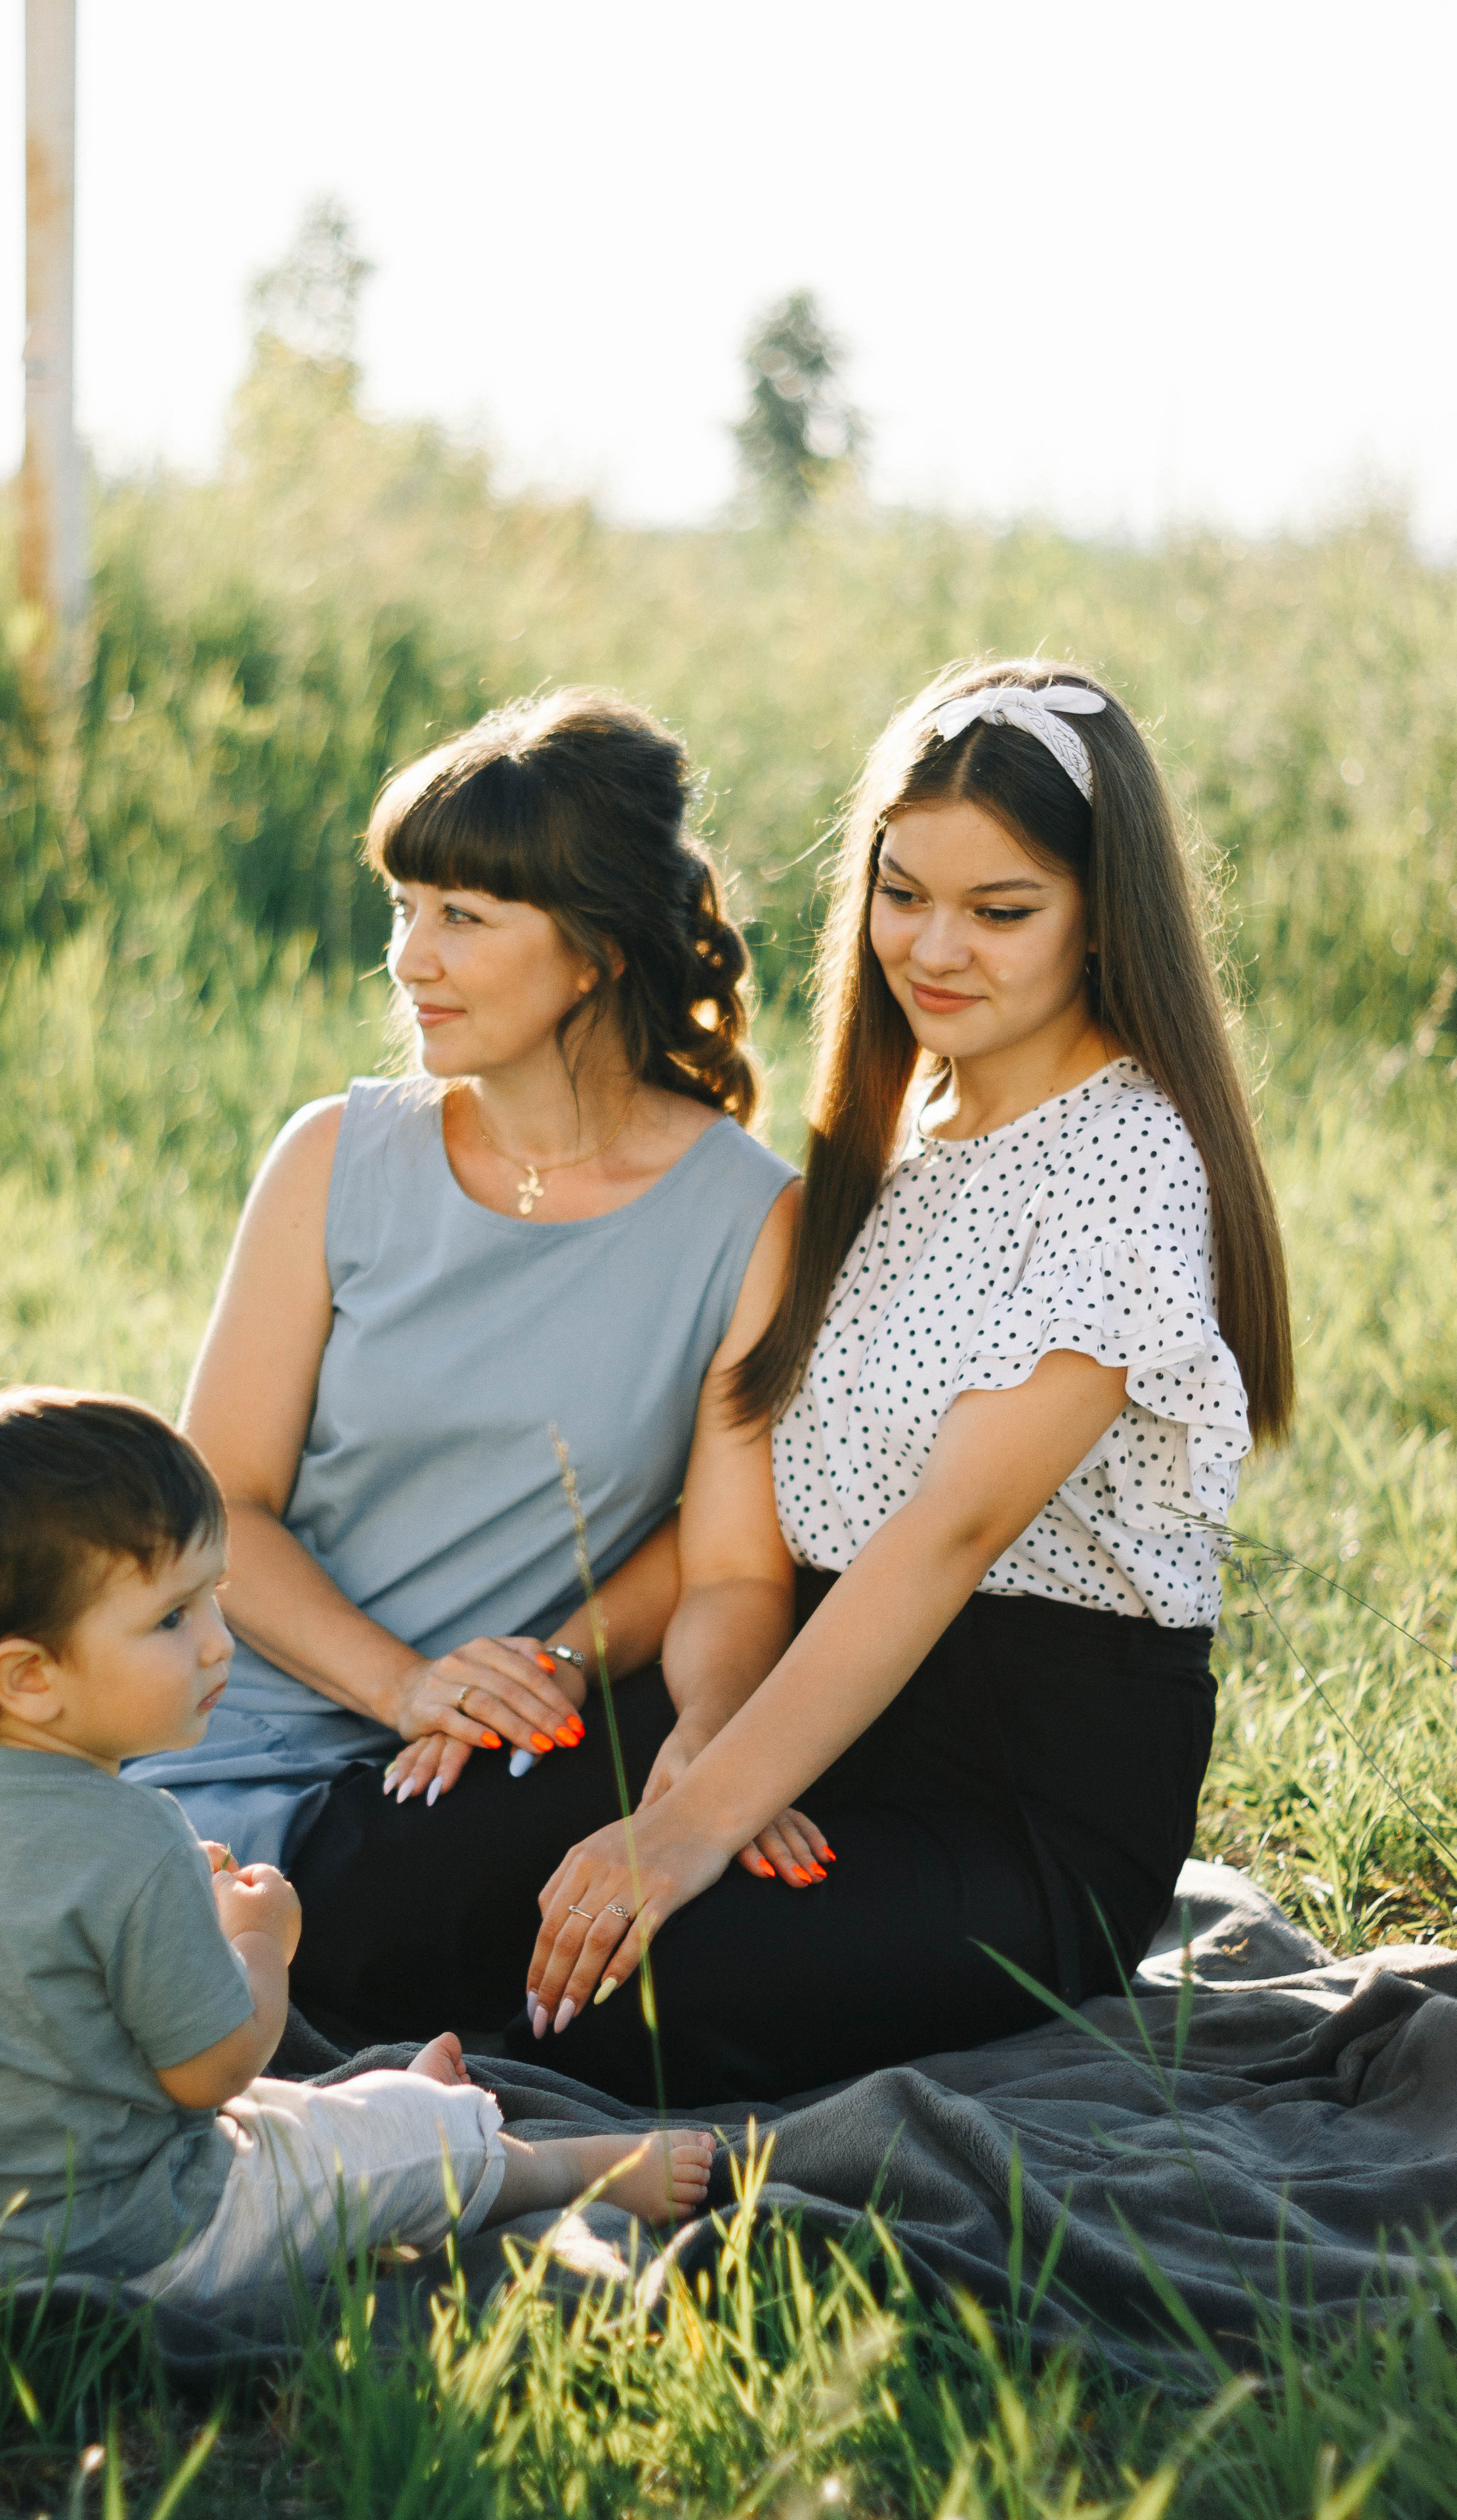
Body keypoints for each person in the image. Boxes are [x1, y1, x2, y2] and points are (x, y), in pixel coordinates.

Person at [0, 688, 804, 2026]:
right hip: (205, 1665)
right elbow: (226, 1500)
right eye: (402, 908)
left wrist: (695, 1739)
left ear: (598, 950)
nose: (409, 960)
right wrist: (403, 1682)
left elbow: (725, 1563)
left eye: (462, 918)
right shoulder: (335, 1153)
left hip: (386, 1772)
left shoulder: (749, 1216)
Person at [518, 660, 1296, 2106]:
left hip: (1022, 1795)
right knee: (438, 1871)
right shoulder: (889, 1134)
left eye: (1000, 911)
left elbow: (945, 1536)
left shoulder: (1126, 1163)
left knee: (649, 1987)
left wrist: (693, 1826)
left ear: (1100, 915)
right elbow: (761, 1512)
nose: (935, 949)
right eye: (901, 893)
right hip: (826, 1700)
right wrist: (716, 1744)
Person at [0, 1389, 713, 2299]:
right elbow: (216, 2071)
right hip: (138, 2246)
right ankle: (559, 2169)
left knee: (290, 2125)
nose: (219, 1644)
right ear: (29, 1677)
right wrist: (259, 1940)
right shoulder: (134, 1840)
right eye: (173, 1619)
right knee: (371, 2155)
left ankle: (410, 2108)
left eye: (211, 1599)